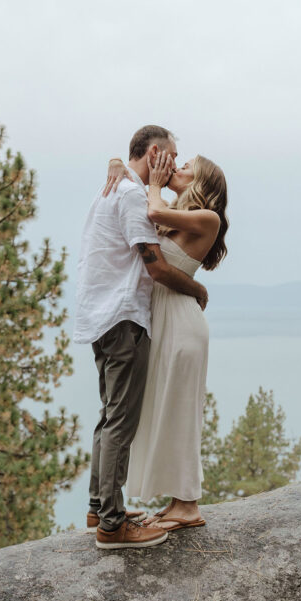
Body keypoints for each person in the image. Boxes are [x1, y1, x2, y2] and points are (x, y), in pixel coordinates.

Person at [74, 125, 209, 550]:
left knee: (108, 415)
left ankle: (101, 506)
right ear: (155, 153)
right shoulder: (132, 194)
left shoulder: (111, 188)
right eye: (171, 156)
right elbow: (153, 266)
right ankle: (113, 527)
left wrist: (119, 163)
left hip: (100, 317)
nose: (174, 164)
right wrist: (199, 290)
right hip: (123, 319)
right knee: (120, 421)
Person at [104, 150, 228, 532]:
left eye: (188, 167)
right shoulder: (173, 209)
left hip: (182, 323)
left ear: (201, 183)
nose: (179, 167)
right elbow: (141, 205)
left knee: (181, 410)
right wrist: (115, 163)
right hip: (162, 321)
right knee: (163, 409)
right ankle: (177, 502)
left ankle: (188, 505)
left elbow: (153, 213)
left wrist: (155, 185)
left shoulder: (207, 218)